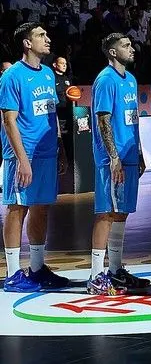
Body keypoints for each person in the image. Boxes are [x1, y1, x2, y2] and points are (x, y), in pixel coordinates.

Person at [1, 23, 70, 292]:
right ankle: (13, 273)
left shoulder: (48, 74)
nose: (47, 39)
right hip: (23, 153)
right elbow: (9, 121)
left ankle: (38, 268)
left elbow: (51, 114)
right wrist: (22, 159)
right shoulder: (12, 76)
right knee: (17, 207)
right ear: (27, 43)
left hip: (46, 152)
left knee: (41, 207)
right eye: (41, 35)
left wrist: (60, 147)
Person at [88, 33, 151, 296]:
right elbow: (103, 119)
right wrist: (113, 156)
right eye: (125, 46)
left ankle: (115, 270)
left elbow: (132, 120)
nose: (132, 48)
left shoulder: (131, 80)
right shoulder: (106, 80)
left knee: (121, 211)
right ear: (113, 52)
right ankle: (95, 276)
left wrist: (139, 153)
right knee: (107, 212)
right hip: (112, 158)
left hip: (129, 155)